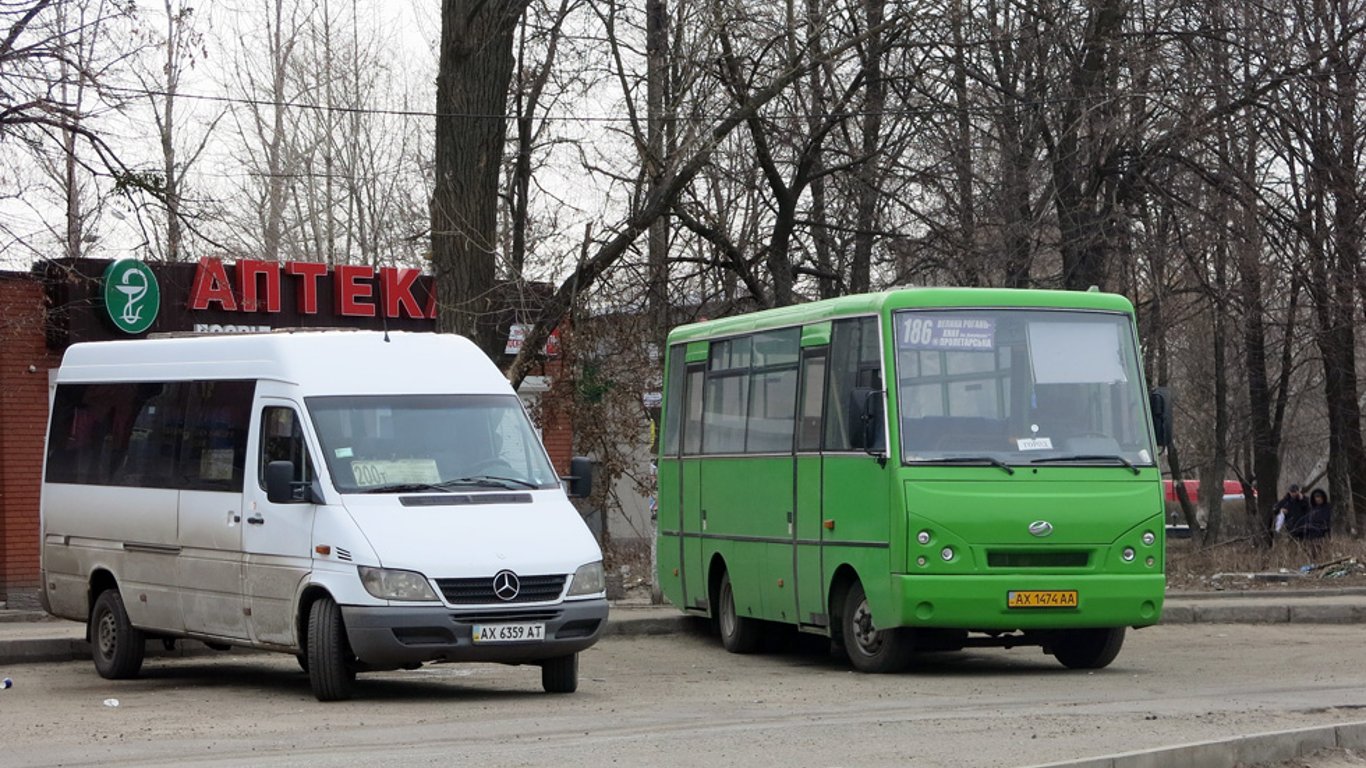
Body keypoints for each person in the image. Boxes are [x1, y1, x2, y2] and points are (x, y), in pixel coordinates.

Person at [1300, 487, 1332, 560]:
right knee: (1312, 554)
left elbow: (1328, 521)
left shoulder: (1328, 507)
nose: (1318, 499)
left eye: (1319, 497)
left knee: (1323, 553)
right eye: (1316, 497)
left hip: (1323, 535)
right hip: (1311, 535)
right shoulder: (1312, 509)